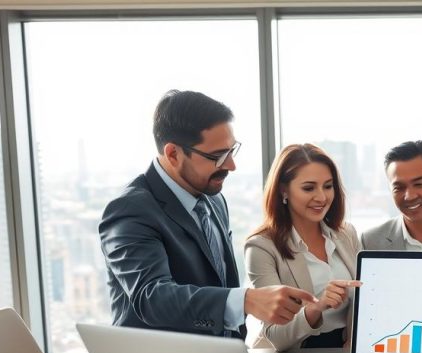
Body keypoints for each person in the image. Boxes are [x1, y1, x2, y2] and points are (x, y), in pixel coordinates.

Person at [99, 90, 316, 339]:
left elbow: (219, 283)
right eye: (217, 156)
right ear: (173, 154)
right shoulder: (130, 210)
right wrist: (246, 300)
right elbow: (152, 297)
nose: (231, 165)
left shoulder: (213, 200)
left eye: (232, 151)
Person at [245, 144, 362, 350]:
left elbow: (366, 302)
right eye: (309, 188)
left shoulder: (346, 234)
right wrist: (317, 307)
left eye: (328, 186)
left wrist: (356, 342)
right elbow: (275, 336)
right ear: (283, 190)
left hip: (346, 351)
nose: (322, 197)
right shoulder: (261, 248)